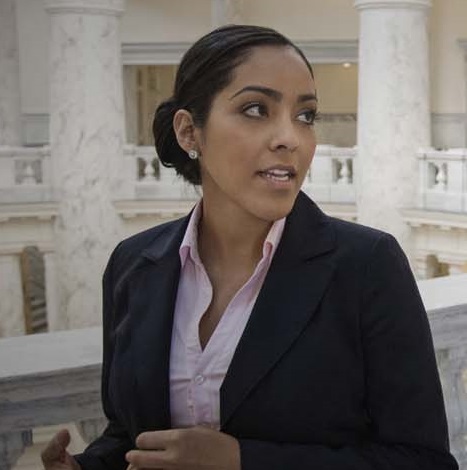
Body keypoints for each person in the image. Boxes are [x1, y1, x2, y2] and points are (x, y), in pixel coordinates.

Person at [42, 24, 458, 470]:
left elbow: (424, 460)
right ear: (189, 132)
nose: (291, 138)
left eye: (306, 115)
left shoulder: (366, 266)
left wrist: (244, 460)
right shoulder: (133, 264)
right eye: (256, 109)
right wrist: (86, 466)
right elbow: (129, 435)